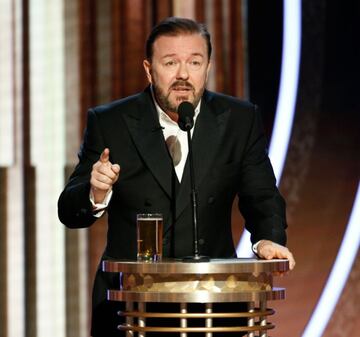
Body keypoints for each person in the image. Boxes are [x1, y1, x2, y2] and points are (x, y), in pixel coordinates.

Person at [58, 16, 295, 337]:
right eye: (170, 62)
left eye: (194, 62)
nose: (183, 74)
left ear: (208, 66)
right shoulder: (111, 121)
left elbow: (262, 194)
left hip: (212, 301)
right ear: (149, 68)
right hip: (130, 305)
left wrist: (267, 238)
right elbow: (69, 212)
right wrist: (95, 191)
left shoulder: (238, 119)